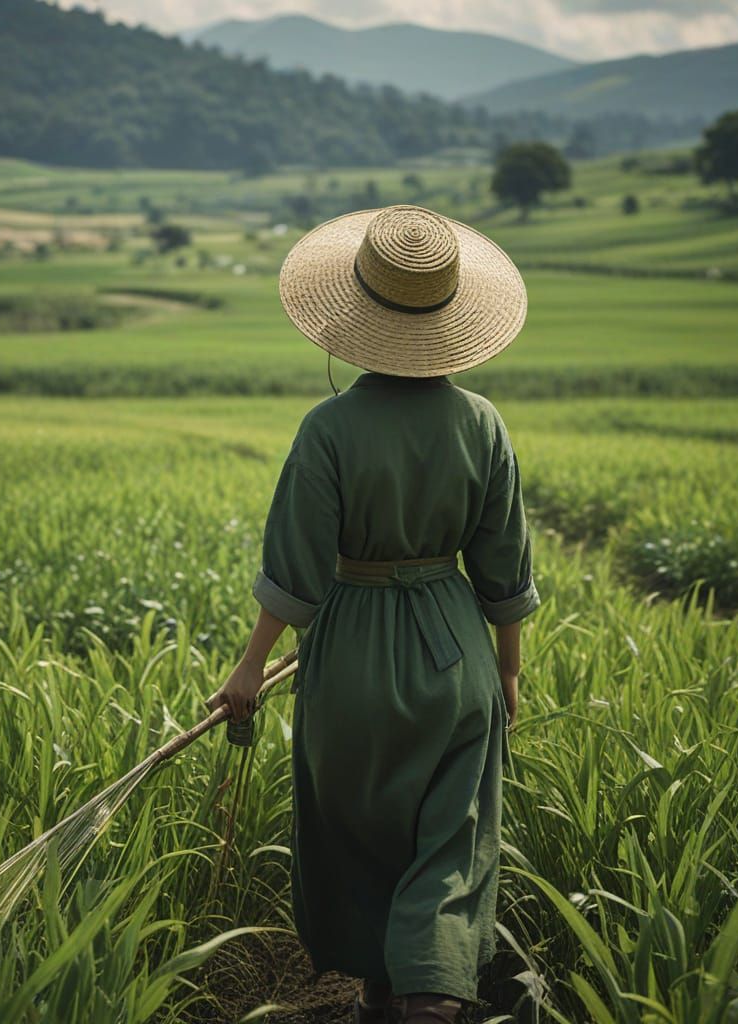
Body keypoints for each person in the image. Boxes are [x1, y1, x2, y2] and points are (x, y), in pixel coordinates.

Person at [207, 204, 541, 1024]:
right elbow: (504, 566)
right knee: (449, 841)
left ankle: (383, 997)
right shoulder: (483, 423)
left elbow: (296, 570)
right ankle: (424, 998)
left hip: (349, 657)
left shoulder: (327, 430)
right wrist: (506, 669)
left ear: (354, 315)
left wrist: (250, 667)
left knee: (358, 836)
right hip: (455, 655)